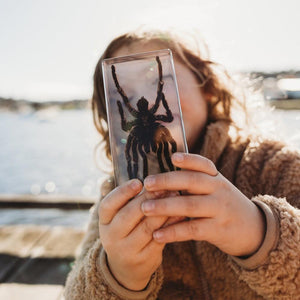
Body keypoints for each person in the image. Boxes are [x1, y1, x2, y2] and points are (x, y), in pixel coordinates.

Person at [64, 30, 300, 299]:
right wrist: (118, 274)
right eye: (125, 95)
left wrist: (261, 234)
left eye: (160, 81)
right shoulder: (118, 198)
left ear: (208, 87)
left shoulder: (273, 165)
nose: (148, 97)